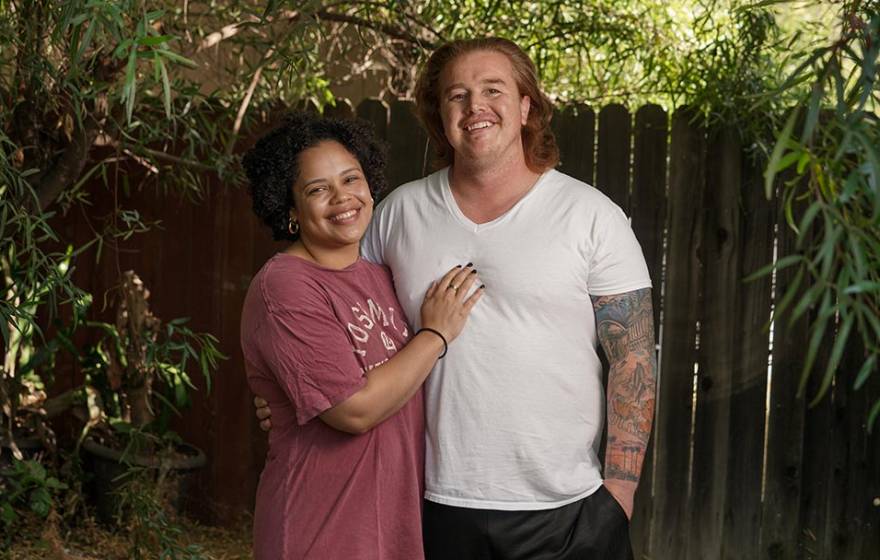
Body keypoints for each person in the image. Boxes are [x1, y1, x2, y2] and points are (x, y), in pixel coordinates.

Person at [256, 37, 656, 559]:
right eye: (457, 95)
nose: (475, 108)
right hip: (429, 503)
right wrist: (290, 397)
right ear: (439, 113)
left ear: (526, 105)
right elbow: (338, 316)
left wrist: (618, 497)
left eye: (493, 90)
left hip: (566, 509)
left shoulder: (590, 216)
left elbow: (634, 358)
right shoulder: (397, 215)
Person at [240, 112, 483, 560]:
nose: (342, 198)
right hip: (322, 529)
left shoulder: (379, 274)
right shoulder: (285, 287)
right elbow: (353, 411)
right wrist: (435, 332)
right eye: (317, 189)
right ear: (290, 210)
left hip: (390, 523)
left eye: (351, 179)